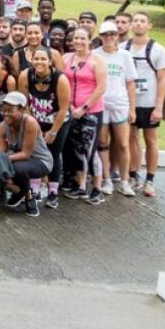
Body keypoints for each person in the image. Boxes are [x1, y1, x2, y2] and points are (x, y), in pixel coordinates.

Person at [0, 92, 53, 217]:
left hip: (40, 161)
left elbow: (26, 154)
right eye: (4, 110)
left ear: (22, 109)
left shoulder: (30, 122)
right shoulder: (2, 126)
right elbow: (0, 152)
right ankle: (19, 192)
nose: (6, 114)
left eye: (10, 110)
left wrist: (0, 159)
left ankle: (29, 198)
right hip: (17, 159)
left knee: (18, 168)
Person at [18, 47, 71, 209]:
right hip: (37, 119)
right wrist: (32, 125)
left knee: (53, 153)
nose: (39, 62)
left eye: (43, 59)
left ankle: (53, 191)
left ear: (49, 61)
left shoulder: (60, 79)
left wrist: (53, 131)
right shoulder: (25, 75)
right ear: (32, 60)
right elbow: (24, 102)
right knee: (35, 152)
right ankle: (35, 187)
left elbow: (64, 108)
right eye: (36, 59)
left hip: (58, 120)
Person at [61, 27, 108, 205]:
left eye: (83, 38)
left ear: (90, 40)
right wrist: (71, 106)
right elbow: (63, 81)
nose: (79, 42)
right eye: (76, 38)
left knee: (90, 150)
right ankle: (80, 184)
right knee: (76, 149)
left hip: (92, 111)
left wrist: (84, 107)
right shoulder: (67, 58)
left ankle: (97, 188)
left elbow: (101, 87)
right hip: (71, 109)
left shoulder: (97, 60)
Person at [125, 12, 165, 197]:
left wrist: (159, 107)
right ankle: (134, 174)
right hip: (128, 102)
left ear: (149, 25)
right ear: (131, 25)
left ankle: (150, 179)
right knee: (131, 139)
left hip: (149, 102)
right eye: (135, 21)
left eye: (143, 21)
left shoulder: (158, 49)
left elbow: (163, 79)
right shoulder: (123, 47)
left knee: (151, 140)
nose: (139, 24)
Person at [93, 20, 138, 197]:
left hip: (120, 104)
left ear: (117, 36)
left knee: (123, 143)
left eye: (112, 34)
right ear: (101, 37)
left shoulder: (125, 56)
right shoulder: (95, 54)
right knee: (102, 143)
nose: (109, 38)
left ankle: (125, 181)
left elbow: (130, 83)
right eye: (105, 35)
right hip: (101, 104)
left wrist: (132, 109)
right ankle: (107, 179)